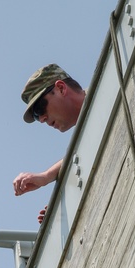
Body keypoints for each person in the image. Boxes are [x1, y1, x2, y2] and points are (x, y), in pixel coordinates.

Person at [12, 64, 87, 218]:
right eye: (36, 116)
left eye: (40, 108)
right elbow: (82, 154)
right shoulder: (87, 134)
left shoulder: (111, 90)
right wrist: (64, 208)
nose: (41, 119)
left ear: (60, 88)